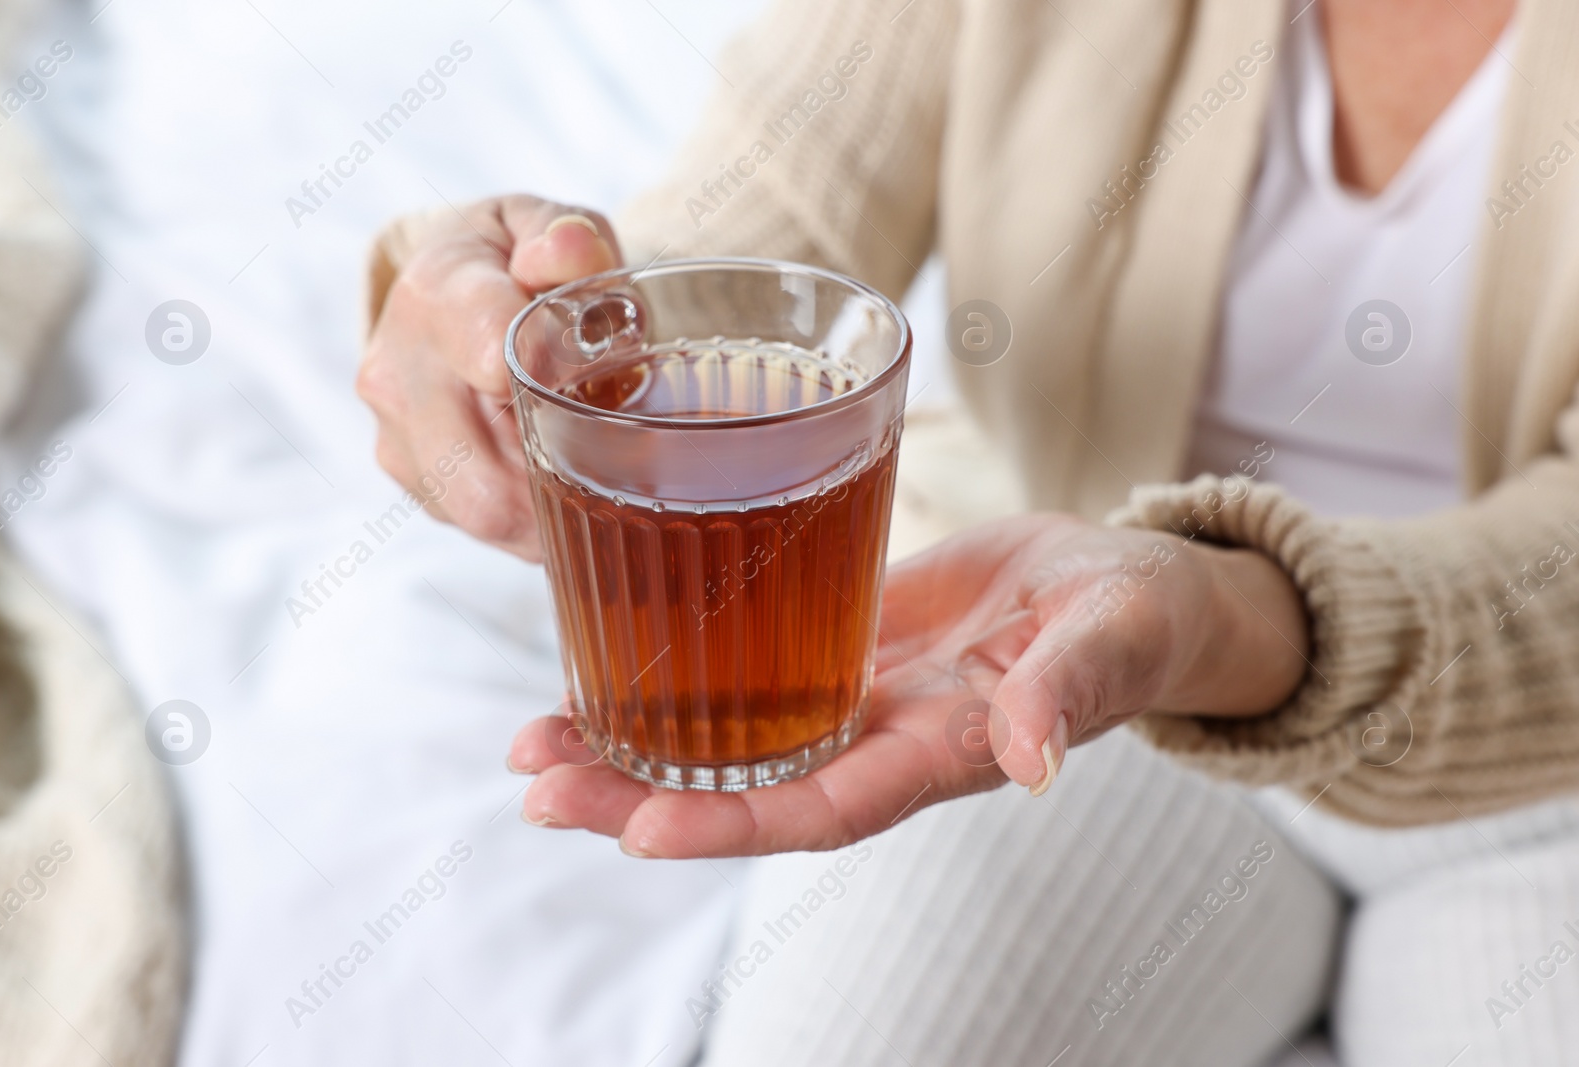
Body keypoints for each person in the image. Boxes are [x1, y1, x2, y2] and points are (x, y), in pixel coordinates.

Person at [360, 0, 1579, 1062]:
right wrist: (527, 319)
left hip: (1540, 754)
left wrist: (1233, 615)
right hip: (1061, 675)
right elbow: (764, 243)